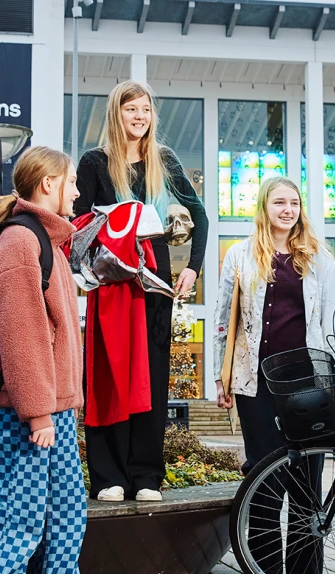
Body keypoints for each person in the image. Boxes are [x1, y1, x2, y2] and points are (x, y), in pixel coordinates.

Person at [74, 80, 209, 502]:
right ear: (116, 113)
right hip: (112, 286)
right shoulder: (94, 162)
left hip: (155, 287)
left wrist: (193, 269)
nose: (139, 116)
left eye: (145, 110)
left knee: (151, 379)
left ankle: (146, 476)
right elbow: (78, 227)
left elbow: (200, 216)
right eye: (131, 109)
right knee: (110, 377)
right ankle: (108, 476)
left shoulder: (163, 161)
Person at [212, 176, 335, 574]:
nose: (288, 210)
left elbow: (334, 321)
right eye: (279, 203)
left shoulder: (320, 257)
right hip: (256, 384)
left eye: (294, 203)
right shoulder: (239, 255)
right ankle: (264, 570)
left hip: (308, 386)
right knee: (263, 485)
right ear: (264, 208)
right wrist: (222, 378)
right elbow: (224, 323)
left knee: (307, 488)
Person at [0, 146, 87, 574]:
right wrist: (38, 413)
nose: (76, 192)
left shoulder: (49, 243)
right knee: (14, 528)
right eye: (71, 182)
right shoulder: (21, 240)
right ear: (48, 183)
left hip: (53, 413)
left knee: (66, 523)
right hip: (30, 418)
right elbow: (21, 335)